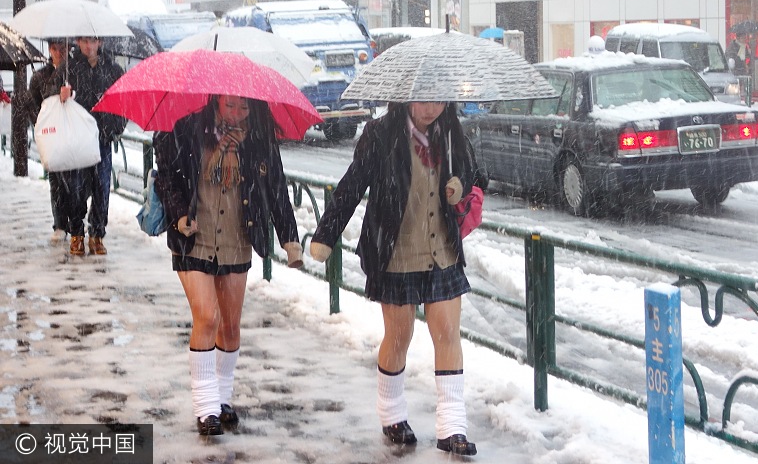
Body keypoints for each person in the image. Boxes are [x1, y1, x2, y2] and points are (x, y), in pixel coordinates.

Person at [308, 101, 485, 456]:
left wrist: (460, 182)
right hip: (396, 251)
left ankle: (452, 426)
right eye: (424, 100)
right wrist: (326, 234)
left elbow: (478, 175)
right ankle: (392, 414)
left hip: (442, 251)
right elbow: (352, 185)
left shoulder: (453, 133)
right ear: (405, 96)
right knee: (400, 335)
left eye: (439, 100)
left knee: (448, 333)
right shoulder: (381, 134)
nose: (431, 108)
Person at [153, 95, 304, 436]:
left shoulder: (260, 139)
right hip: (194, 238)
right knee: (207, 317)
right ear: (216, 101)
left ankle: (221, 397)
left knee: (231, 327)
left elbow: (277, 187)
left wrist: (290, 240)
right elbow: (167, 177)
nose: (237, 114)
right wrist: (178, 215)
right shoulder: (189, 127)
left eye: (244, 108)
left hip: (237, 240)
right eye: (230, 106)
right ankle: (206, 406)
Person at [53, 36, 127, 256]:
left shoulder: (112, 70)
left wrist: (115, 128)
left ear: (100, 43)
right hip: (77, 139)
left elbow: (122, 102)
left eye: (93, 41)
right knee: (76, 188)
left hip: (102, 139)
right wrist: (61, 96)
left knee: (102, 188)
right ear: (78, 42)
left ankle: (97, 234)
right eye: (84, 41)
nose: (88, 46)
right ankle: (76, 234)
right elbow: (49, 96)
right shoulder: (68, 69)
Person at [28, 39, 72, 242]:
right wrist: (42, 127)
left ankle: (75, 220)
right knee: (56, 181)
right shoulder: (40, 77)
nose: (59, 53)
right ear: (49, 49)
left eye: (62, 48)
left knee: (76, 181)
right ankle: (60, 223)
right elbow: (33, 105)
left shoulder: (75, 71)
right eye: (55, 49)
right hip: (52, 136)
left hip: (73, 134)